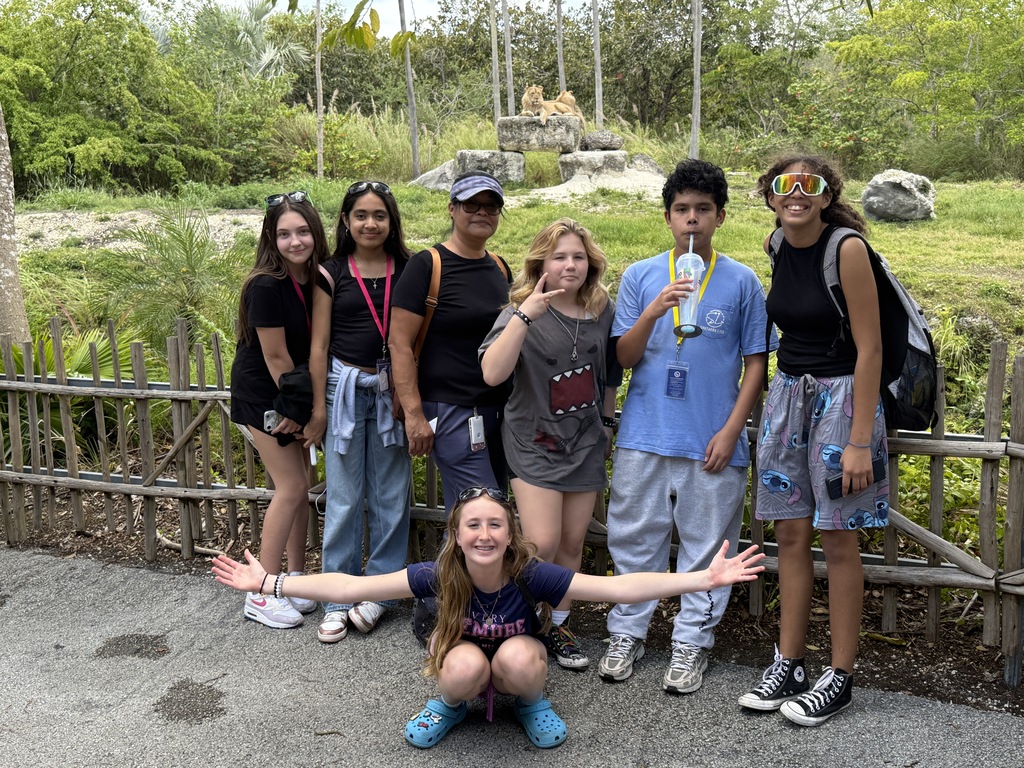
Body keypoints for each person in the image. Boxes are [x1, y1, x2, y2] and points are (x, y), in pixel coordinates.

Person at [211, 486, 766, 749]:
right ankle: (449, 707)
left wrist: (702, 579)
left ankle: (531, 705)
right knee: (457, 668)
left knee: (524, 655)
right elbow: (354, 584)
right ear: (457, 534)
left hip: (513, 665)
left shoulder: (532, 573)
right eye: (472, 524)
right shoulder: (437, 573)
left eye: (495, 525)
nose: (483, 534)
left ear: (510, 535)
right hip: (465, 661)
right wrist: (269, 582)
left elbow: (617, 588)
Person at [598, 159, 774, 695]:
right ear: (668, 217)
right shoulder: (641, 275)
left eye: (702, 210)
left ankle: (692, 642)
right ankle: (626, 632)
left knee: (708, 549)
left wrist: (731, 431)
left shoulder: (742, 281)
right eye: (681, 210)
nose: (691, 220)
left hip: (711, 442)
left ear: (720, 216)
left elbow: (756, 364)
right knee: (634, 539)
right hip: (645, 434)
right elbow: (623, 358)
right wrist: (654, 310)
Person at [737, 156, 888, 726]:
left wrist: (856, 441)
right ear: (771, 197)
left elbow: (869, 348)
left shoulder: (846, 248)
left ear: (826, 196)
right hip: (787, 395)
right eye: (785, 186)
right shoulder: (778, 244)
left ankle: (841, 675)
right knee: (792, 532)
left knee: (838, 535)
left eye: (810, 186)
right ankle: (790, 661)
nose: (796, 195)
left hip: (843, 399)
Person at [479, 218, 620, 670]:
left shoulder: (601, 307)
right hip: (533, 441)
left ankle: (558, 625)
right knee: (540, 542)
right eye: (560, 256)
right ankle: (522, 623)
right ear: (541, 261)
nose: (570, 265)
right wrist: (524, 317)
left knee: (573, 543)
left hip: (583, 442)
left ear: (590, 262)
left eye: (578, 256)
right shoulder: (520, 309)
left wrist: (607, 421)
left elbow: (611, 372)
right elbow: (492, 373)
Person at [306, 181, 414, 643]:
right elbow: (319, 345)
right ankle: (337, 596)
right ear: (346, 221)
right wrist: (316, 408)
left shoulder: (409, 269)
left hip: (393, 391)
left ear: (392, 222)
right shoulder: (331, 272)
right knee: (346, 497)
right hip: (345, 389)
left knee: (391, 495)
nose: (370, 223)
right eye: (361, 215)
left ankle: (379, 593)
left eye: (379, 215)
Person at [229, 190, 329, 629]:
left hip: (289, 393)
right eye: (284, 233)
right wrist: (303, 411)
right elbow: (274, 358)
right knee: (290, 487)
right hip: (266, 395)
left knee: (301, 485)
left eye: (303, 231)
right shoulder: (266, 285)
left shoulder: (314, 279)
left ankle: (290, 579)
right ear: (271, 238)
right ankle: (260, 591)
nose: (295, 241)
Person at [389, 171, 513, 512]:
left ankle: (457, 566)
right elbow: (399, 344)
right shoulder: (427, 265)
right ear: (452, 209)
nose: (482, 213)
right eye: (471, 204)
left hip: (498, 411)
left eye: (491, 206)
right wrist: (414, 415)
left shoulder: (500, 269)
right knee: (483, 509)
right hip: (451, 411)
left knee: (482, 509)